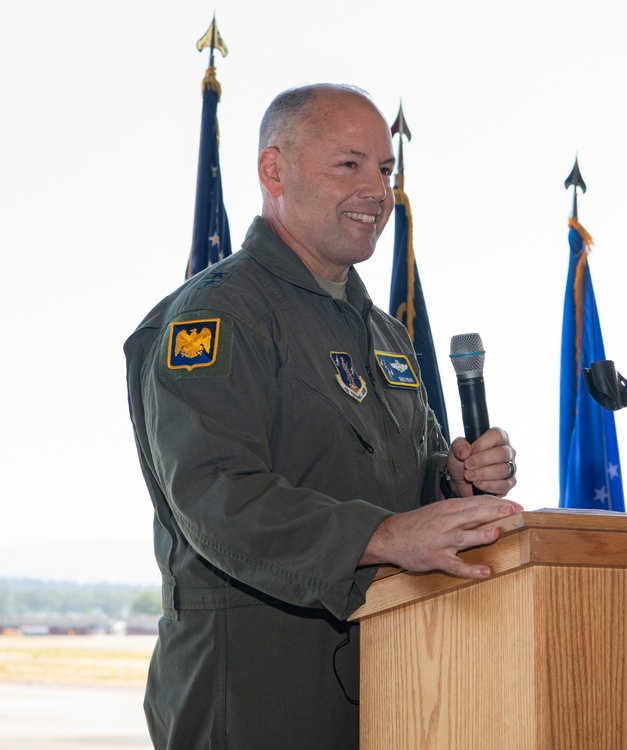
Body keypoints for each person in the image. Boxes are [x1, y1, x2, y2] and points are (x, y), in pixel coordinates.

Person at [124, 83, 521, 750]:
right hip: (256, 694)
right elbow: (216, 496)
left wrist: (454, 481)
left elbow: (395, 487)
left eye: (387, 171)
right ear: (273, 171)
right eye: (350, 165)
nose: (378, 191)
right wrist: (386, 536)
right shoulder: (215, 316)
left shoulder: (386, 336)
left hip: (395, 679)